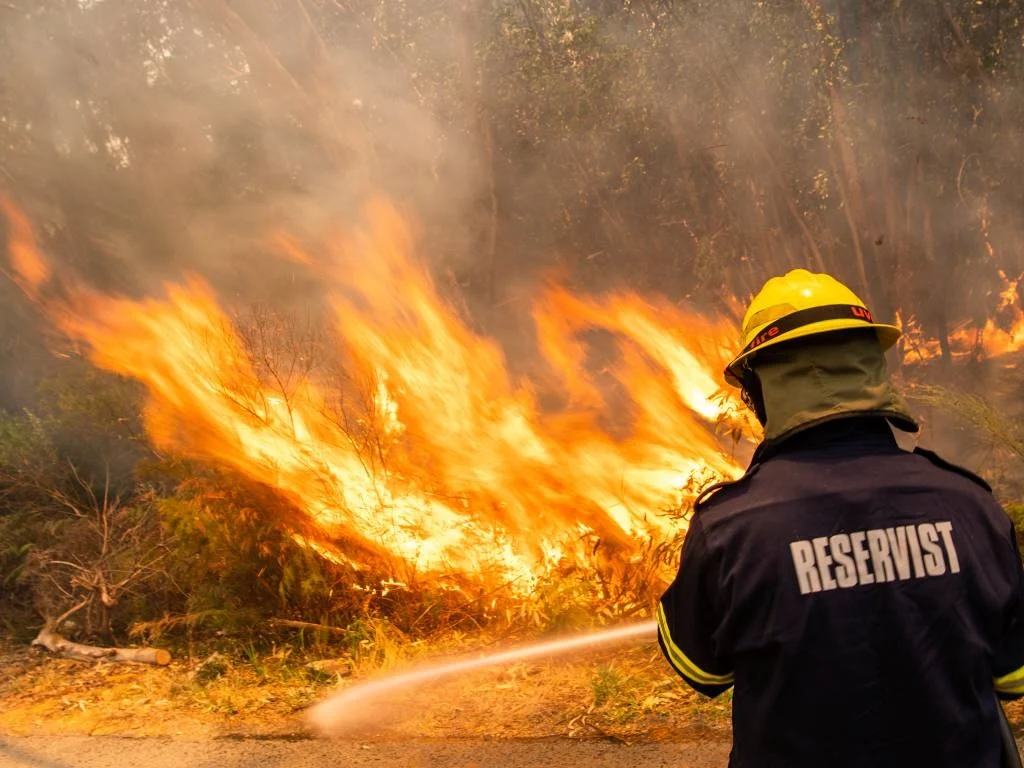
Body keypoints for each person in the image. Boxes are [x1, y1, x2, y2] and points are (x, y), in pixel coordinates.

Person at [657, 269, 1024, 767]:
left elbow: (701, 670)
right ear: (872, 368)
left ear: (760, 391)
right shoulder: (969, 505)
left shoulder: (729, 529)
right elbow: (1012, 676)